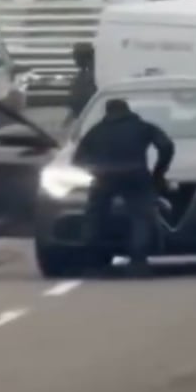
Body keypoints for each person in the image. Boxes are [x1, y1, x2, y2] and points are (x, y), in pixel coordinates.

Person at [72, 98, 175, 278]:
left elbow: (78, 159)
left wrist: (95, 170)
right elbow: (166, 145)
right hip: (136, 175)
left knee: (95, 217)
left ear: (107, 112)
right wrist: (159, 172)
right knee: (141, 217)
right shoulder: (142, 127)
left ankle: (93, 262)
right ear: (128, 109)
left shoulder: (96, 131)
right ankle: (138, 262)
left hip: (104, 177)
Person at [64, 42, 97, 129]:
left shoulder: (90, 76)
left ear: (83, 57)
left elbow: (81, 100)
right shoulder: (83, 73)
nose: (74, 60)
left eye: (75, 57)